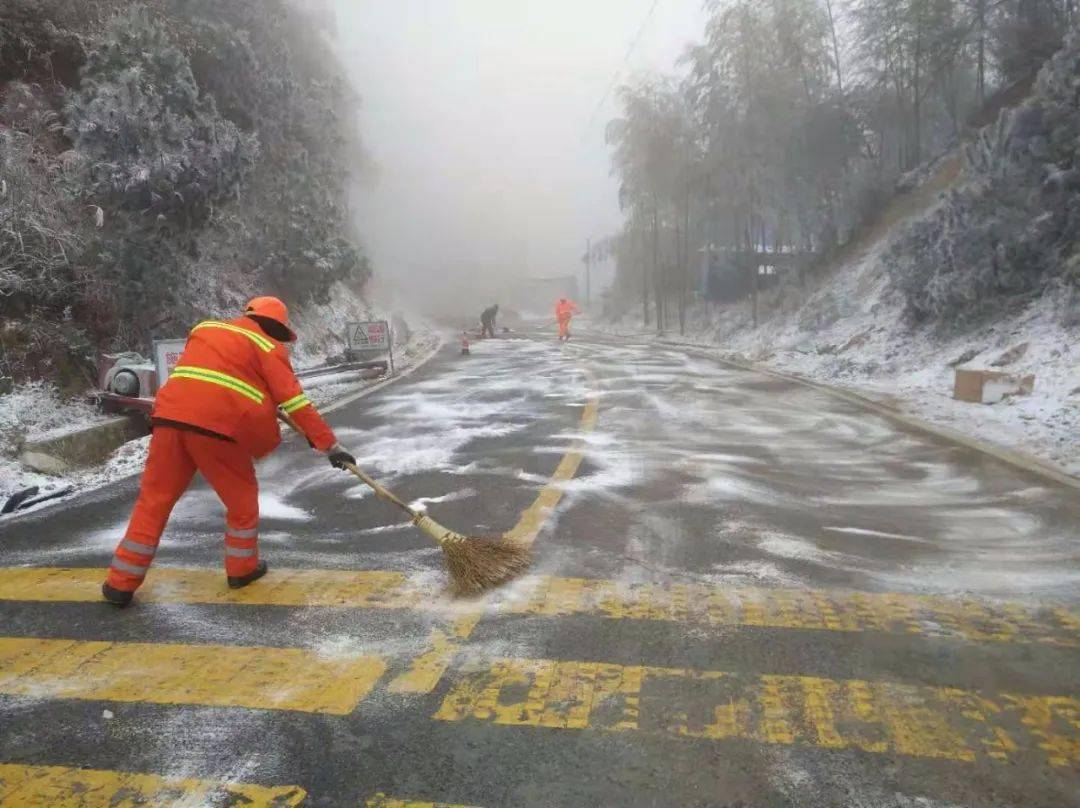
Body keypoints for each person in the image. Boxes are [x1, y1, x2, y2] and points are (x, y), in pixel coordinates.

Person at [101, 296, 356, 607]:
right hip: (218, 429)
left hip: (169, 421)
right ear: (276, 328)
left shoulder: (207, 330)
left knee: (153, 501)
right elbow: (296, 403)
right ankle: (242, 569)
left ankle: (120, 583)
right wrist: (330, 446)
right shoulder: (268, 348)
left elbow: (215, 376)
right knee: (242, 502)